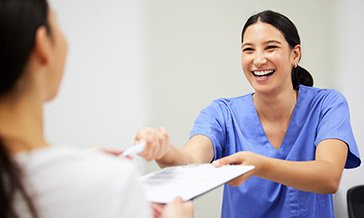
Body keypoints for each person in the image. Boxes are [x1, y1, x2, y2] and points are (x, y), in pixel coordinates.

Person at [135, 10, 361, 218]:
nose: (258, 59)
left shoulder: (327, 105)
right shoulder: (222, 113)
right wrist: (164, 151)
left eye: (270, 47)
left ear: (295, 54)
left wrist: (259, 166)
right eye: (248, 50)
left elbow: (329, 176)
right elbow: (190, 162)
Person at [0, 0, 193, 218]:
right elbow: (194, 159)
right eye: (57, 23)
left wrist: (80, 160)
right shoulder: (109, 183)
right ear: (43, 45)